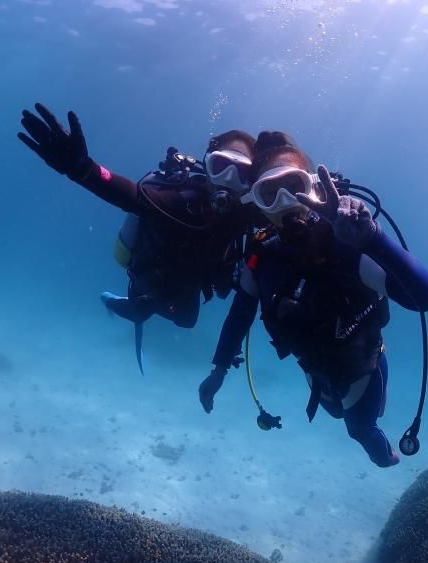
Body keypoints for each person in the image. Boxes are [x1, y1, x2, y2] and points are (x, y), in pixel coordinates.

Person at [197, 132, 428, 467]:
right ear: (257, 204)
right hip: (314, 373)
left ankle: (384, 452)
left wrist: (374, 240)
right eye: (269, 193)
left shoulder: (348, 244)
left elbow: (426, 298)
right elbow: (240, 314)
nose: (284, 202)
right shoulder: (263, 257)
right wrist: (219, 370)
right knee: (334, 412)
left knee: (359, 429)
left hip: (364, 371)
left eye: (293, 187)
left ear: (312, 187)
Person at [18, 103, 258, 372]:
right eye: (222, 166)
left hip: (189, 280)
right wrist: (83, 170)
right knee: (140, 311)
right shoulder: (177, 202)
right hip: (151, 273)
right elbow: (132, 196)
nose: (228, 180)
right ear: (207, 165)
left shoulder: (246, 217)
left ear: (252, 183)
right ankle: (112, 300)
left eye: (242, 174)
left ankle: (144, 305)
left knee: (188, 321)